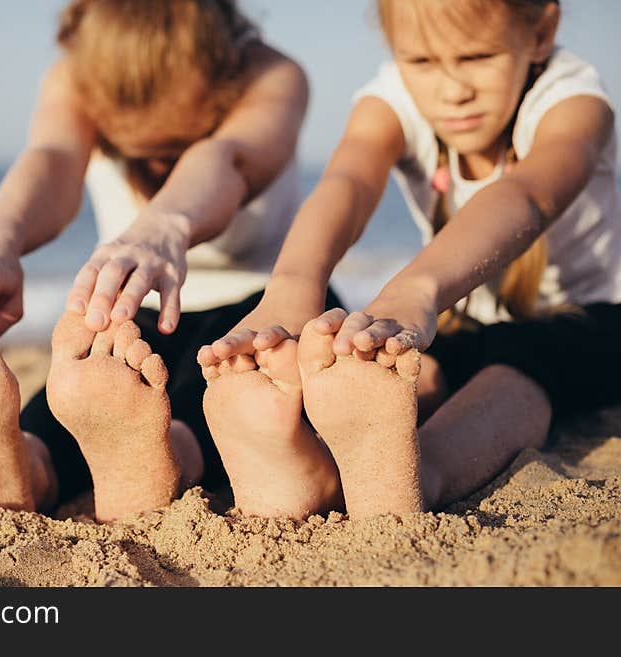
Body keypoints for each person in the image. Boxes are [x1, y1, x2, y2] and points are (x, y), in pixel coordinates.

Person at [0, 0, 344, 522]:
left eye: (174, 148)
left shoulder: (271, 74)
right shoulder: (74, 75)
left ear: (220, 76)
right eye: (133, 149)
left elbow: (228, 158)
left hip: (270, 305)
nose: (156, 168)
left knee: (235, 399)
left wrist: (164, 225)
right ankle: (30, 466)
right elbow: (53, 160)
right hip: (133, 311)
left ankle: (164, 456)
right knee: (88, 391)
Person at [200, 0, 621, 519]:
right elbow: (349, 183)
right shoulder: (391, 102)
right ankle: (316, 471)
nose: (453, 89)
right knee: (401, 369)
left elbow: (528, 196)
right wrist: (292, 287)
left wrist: (417, 287)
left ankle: (420, 474)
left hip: (595, 320)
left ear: (540, 31)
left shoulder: (574, 102)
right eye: (421, 62)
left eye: (478, 56)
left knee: (519, 364)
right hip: (474, 319)